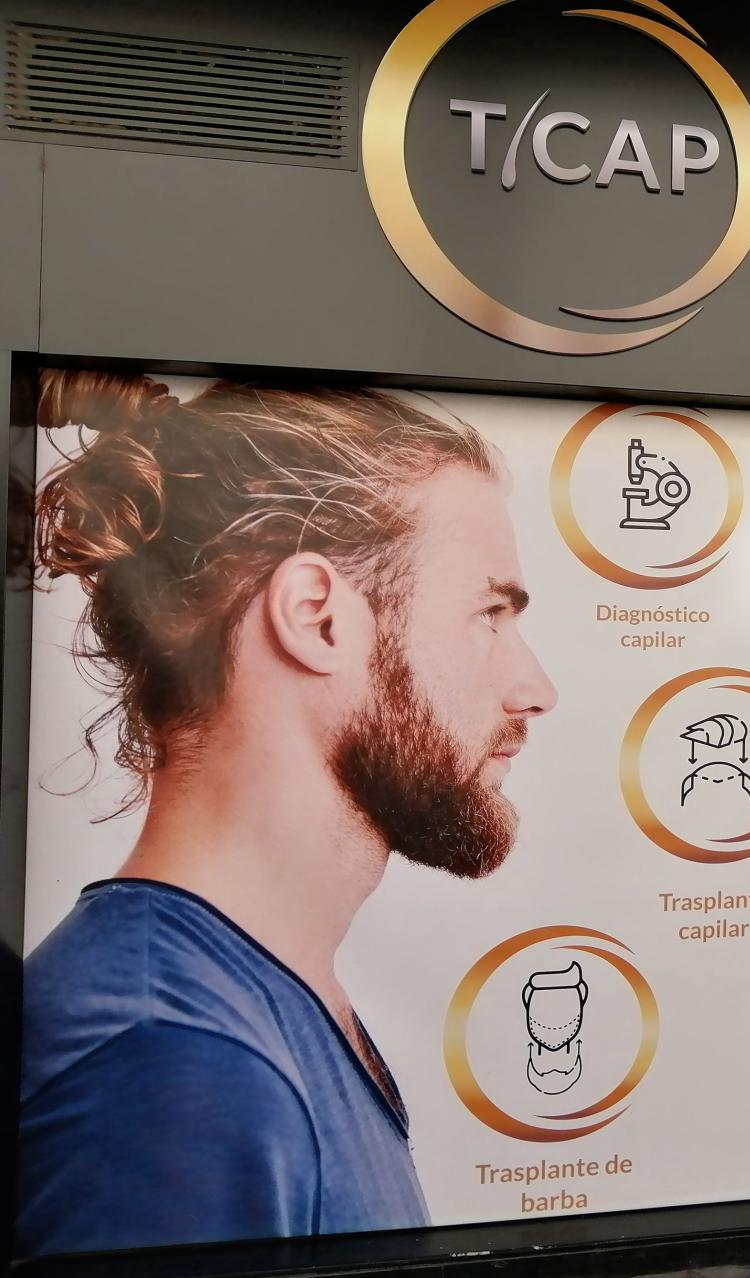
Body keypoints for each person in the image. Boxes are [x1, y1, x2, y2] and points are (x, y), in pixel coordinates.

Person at [18, 372, 558, 1255]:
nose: (535, 688)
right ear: (317, 618)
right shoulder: (172, 1070)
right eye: (489, 613)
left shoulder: (247, 1008)